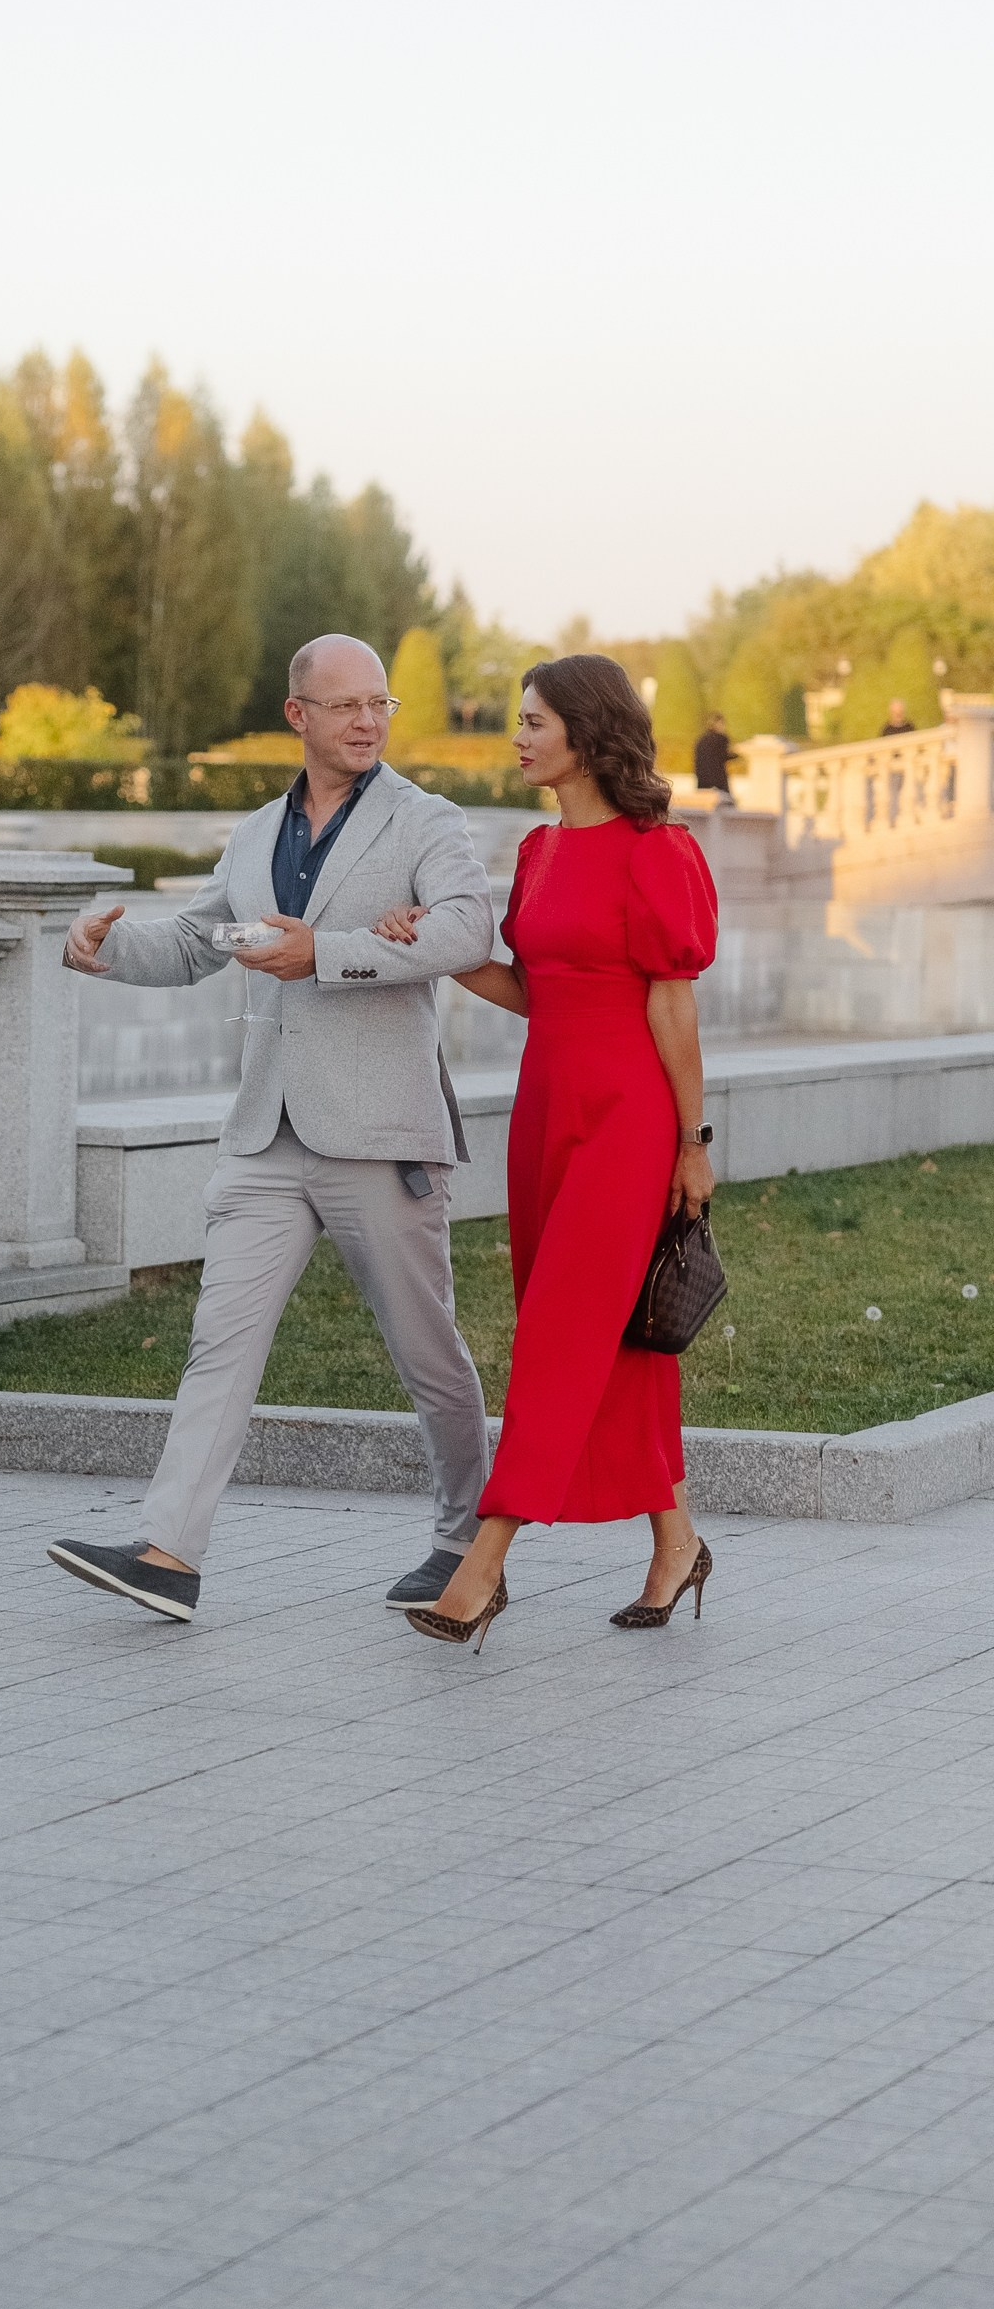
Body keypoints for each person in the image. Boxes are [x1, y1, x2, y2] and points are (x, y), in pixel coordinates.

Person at [44, 633, 497, 1625]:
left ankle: (468, 1539)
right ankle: (168, 1552)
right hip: (264, 1137)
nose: (367, 721)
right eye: (343, 707)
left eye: (376, 703)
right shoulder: (253, 837)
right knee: (218, 1343)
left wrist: (325, 954)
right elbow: (197, 942)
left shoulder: (427, 822)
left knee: (425, 1353)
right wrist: (102, 947)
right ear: (296, 717)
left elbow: (470, 931)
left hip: (380, 1135)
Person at [380, 653, 719, 1650]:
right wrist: (429, 948)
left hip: (626, 1118)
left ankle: (481, 1567)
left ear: (586, 731)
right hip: (545, 1114)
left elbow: (669, 1002)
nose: (517, 736)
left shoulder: (655, 851)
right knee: (602, 1335)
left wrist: (690, 1144)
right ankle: (676, 1545)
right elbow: (537, 990)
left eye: (533, 721)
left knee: (560, 1337)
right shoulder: (534, 853)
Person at [692, 711, 733, 798]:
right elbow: (724, 755)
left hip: (702, 777)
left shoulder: (701, 739)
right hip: (718, 778)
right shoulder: (722, 738)